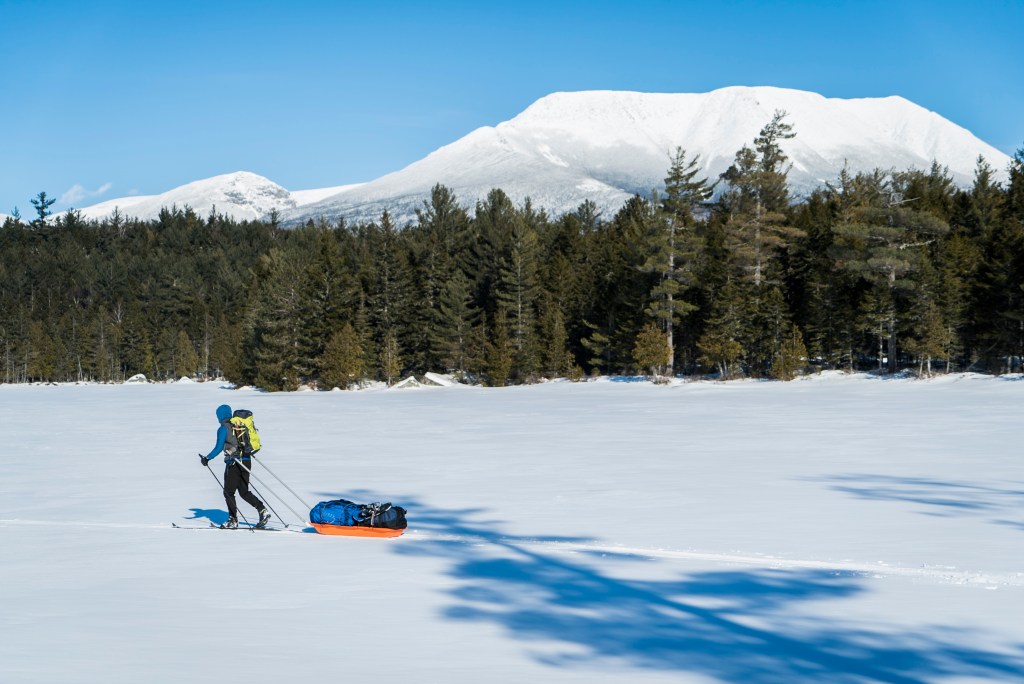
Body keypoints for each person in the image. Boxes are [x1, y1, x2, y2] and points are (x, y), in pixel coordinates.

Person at [201, 404, 271, 529]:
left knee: (228, 492)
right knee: (244, 492)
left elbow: (218, 448)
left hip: (233, 463)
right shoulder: (239, 425)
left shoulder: (223, 428)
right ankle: (262, 510)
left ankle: (233, 520)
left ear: (220, 415)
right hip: (246, 460)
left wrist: (207, 458)